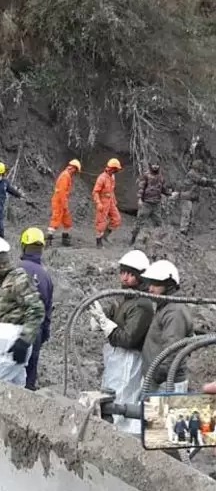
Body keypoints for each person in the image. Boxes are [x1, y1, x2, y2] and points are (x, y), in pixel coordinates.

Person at [89, 250, 154, 434]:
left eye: (130, 274)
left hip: (130, 359)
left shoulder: (143, 304)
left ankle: (121, 434)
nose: (125, 278)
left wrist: (107, 326)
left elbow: (128, 338)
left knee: (122, 396)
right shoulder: (125, 297)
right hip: (117, 357)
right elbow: (115, 315)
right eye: (123, 272)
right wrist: (101, 319)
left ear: (140, 277)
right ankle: (110, 428)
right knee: (111, 391)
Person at [0, 236, 45, 386]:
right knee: (14, 393)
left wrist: (24, 341)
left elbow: (36, 309)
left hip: (11, 347)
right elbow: (3, 317)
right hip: (5, 346)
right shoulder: (4, 284)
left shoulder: (18, 279)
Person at [141, 260, 194, 392]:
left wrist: (157, 376)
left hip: (166, 383)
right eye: (150, 284)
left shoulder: (174, 312)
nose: (150, 289)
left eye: (155, 285)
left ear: (169, 286)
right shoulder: (165, 306)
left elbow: (172, 349)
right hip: (159, 380)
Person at [19, 228, 54, 391]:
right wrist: (45, 333)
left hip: (16, 329)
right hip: (36, 333)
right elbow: (47, 311)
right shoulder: (46, 277)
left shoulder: (16, 270)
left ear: (24, 246)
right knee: (29, 374)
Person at [131, 164, 176, 244]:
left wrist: (170, 194)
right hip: (146, 204)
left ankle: (158, 242)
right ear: (150, 165)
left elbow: (163, 189)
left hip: (156, 205)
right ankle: (133, 239)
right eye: (153, 164)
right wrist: (140, 199)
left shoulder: (161, 177)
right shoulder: (146, 176)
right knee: (140, 222)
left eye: (157, 165)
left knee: (159, 223)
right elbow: (141, 188)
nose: (155, 166)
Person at [46, 159, 81, 247]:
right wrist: (64, 204)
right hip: (59, 201)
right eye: (75, 170)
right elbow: (61, 192)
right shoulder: (65, 176)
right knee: (55, 220)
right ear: (73, 168)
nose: (75, 173)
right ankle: (48, 240)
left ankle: (65, 239)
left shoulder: (67, 175)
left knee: (67, 221)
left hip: (62, 201)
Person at [178, 159, 216, 235]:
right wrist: (213, 181)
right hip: (187, 196)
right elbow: (201, 181)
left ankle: (186, 231)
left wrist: (211, 183)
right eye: (200, 166)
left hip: (191, 196)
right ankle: (183, 230)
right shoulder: (192, 173)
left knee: (190, 213)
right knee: (186, 213)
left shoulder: (196, 173)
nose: (201, 167)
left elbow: (203, 183)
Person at [92, 158, 122, 248]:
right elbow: (95, 192)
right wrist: (98, 203)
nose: (117, 171)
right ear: (112, 168)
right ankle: (99, 243)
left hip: (110, 201)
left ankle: (105, 235)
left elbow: (111, 190)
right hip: (103, 201)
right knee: (101, 222)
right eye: (116, 169)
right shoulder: (102, 178)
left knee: (117, 219)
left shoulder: (112, 177)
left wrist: (114, 200)